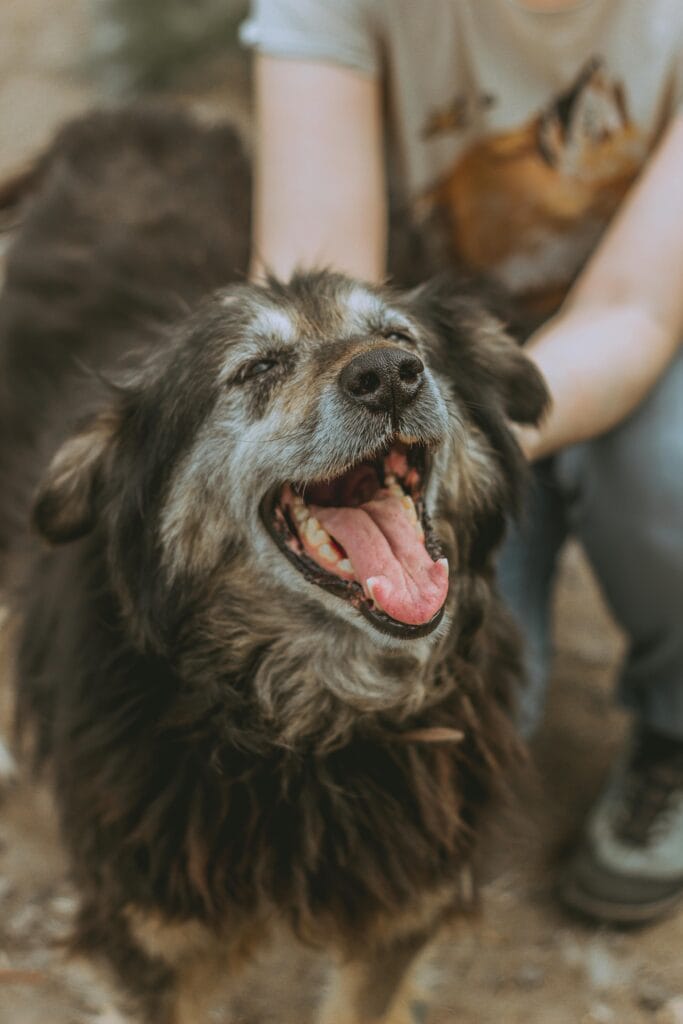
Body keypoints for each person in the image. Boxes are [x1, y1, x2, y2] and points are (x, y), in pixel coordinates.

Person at [240, 0, 683, 925]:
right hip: (409, 363)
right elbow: (318, 290)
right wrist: (386, 457)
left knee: (667, 475)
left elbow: (635, 312)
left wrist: (461, 443)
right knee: (445, 720)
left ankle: (675, 727)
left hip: (634, 347)